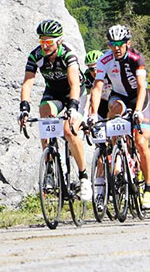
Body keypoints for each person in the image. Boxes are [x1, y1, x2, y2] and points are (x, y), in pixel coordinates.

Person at [19, 19, 91, 200]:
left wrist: (73, 108)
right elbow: (28, 82)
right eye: (42, 41)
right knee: (44, 114)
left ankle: (84, 177)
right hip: (53, 93)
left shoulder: (68, 55)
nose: (45, 46)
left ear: (58, 41)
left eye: (49, 42)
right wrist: (24, 108)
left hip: (75, 92)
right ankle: (50, 168)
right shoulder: (36, 56)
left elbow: (74, 83)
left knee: (69, 130)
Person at [88, 24, 150, 208]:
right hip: (120, 97)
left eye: (120, 43)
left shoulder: (136, 58)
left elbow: (142, 87)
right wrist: (93, 113)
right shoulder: (104, 59)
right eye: (112, 44)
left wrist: (139, 111)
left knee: (141, 142)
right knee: (115, 108)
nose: (116, 48)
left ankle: (149, 189)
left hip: (139, 99)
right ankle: (117, 148)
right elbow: (98, 86)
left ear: (127, 43)